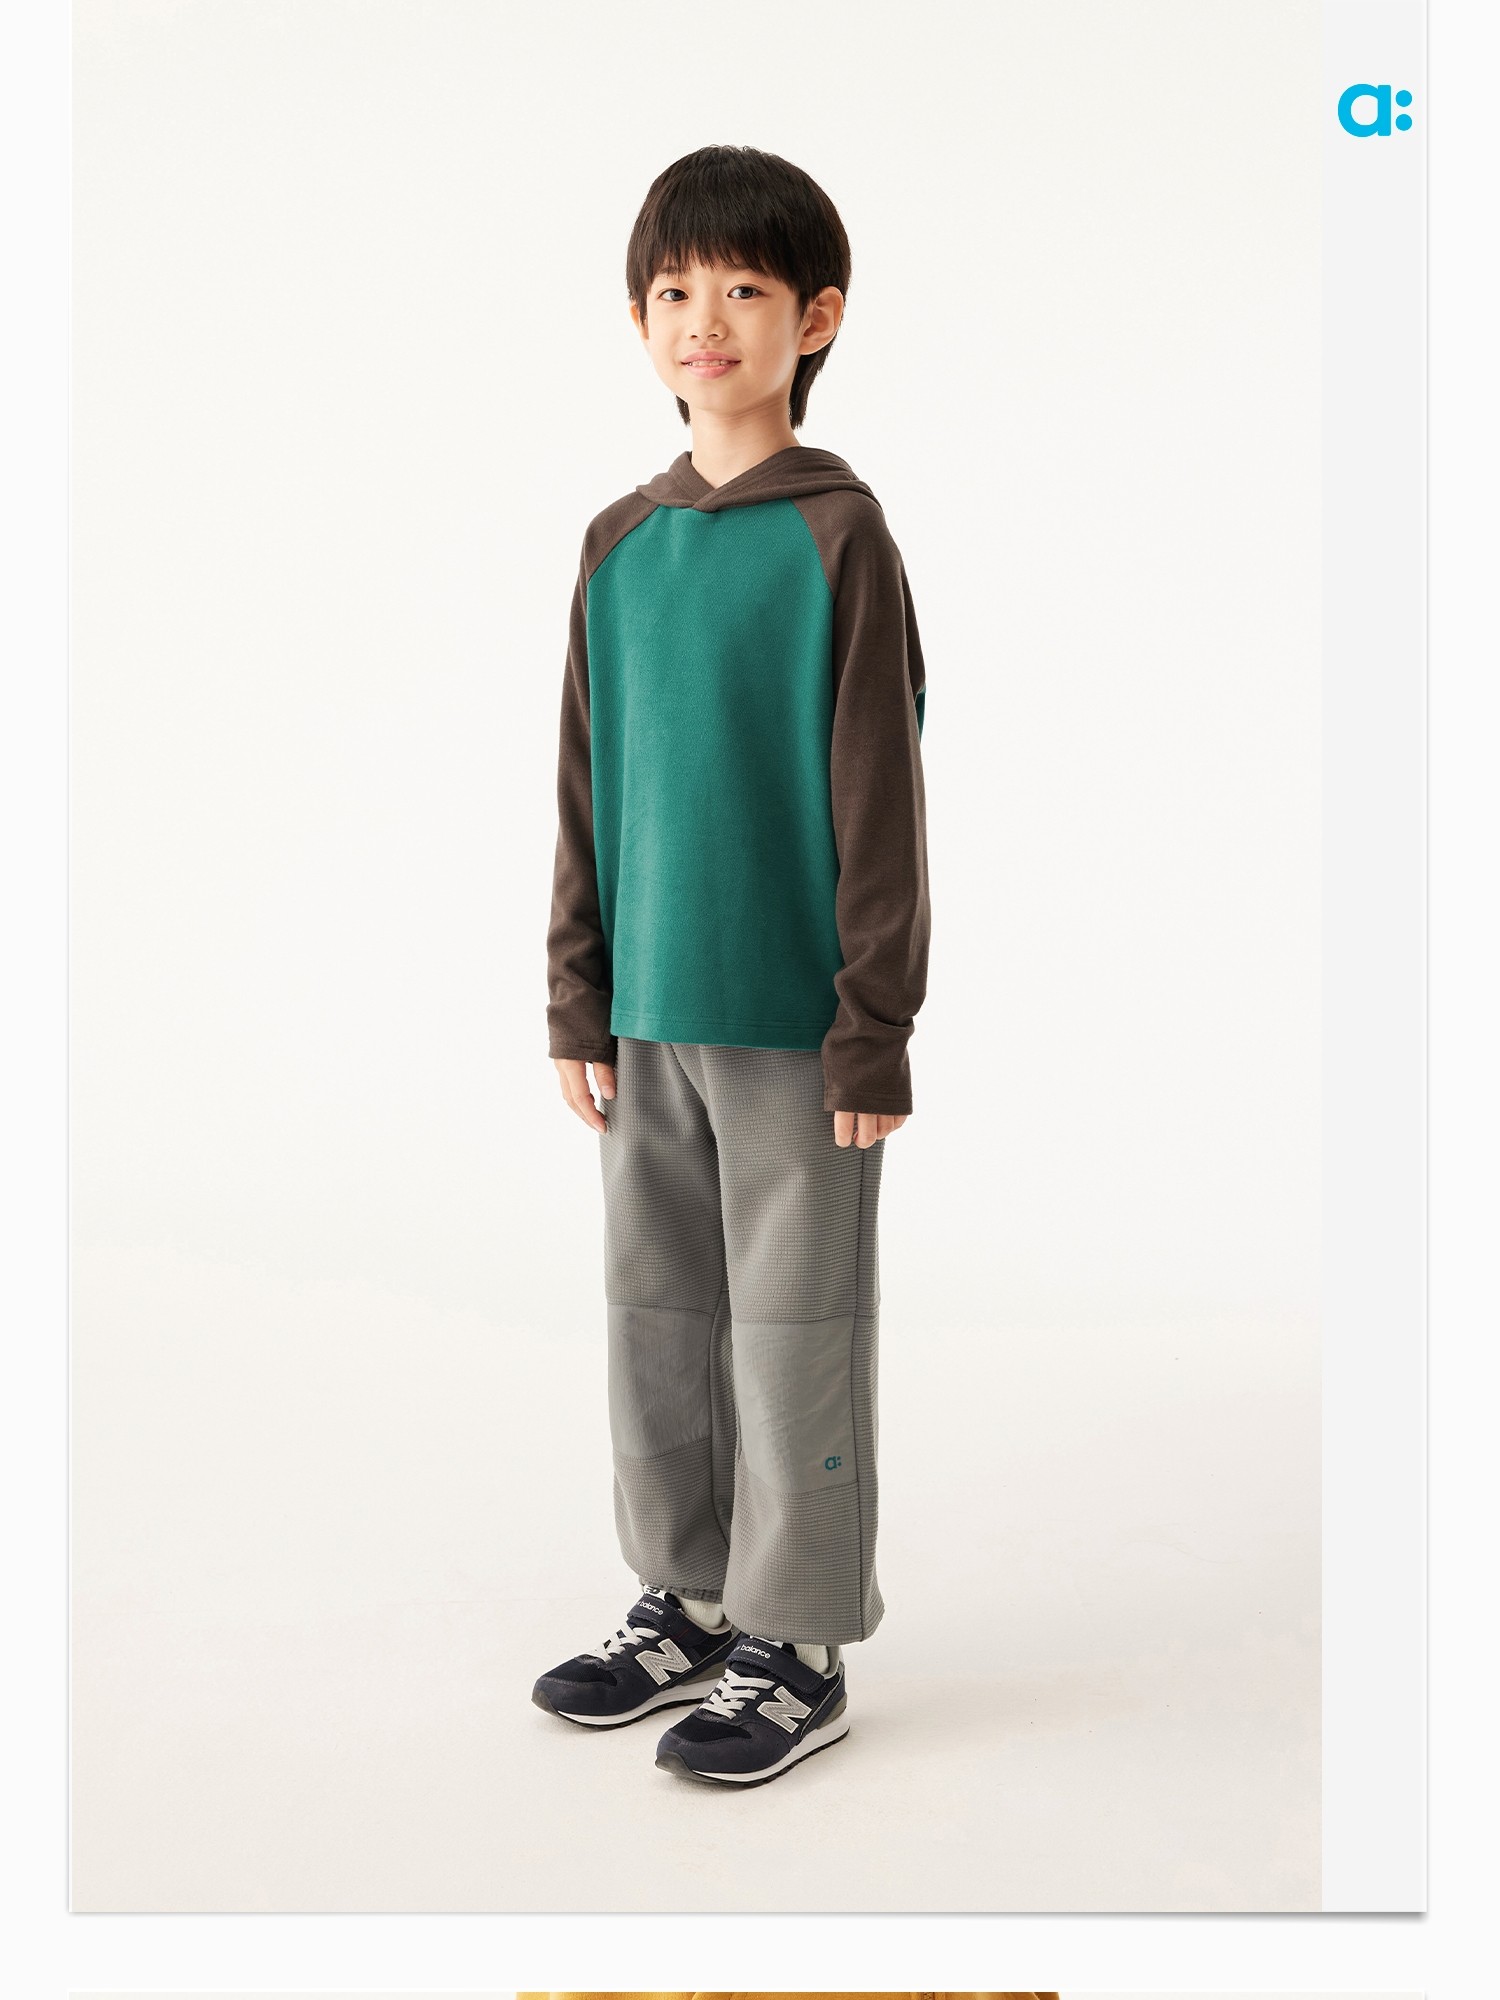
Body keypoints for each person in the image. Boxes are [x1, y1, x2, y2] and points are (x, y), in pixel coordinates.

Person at [533, 143, 931, 1789]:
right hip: (647, 1016)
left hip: (791, 1020)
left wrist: (873, 1025)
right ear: (641, 319)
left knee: (791, 1329)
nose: (707, 318)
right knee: (658, 1319)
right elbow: (587, 777)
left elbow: (879, 794)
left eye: (746, 289)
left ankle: (798, 1638)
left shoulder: (840, 538)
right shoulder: (618, 544)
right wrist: (577, 991)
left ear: (813, 318)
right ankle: (687, 1598)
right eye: (676, 290)